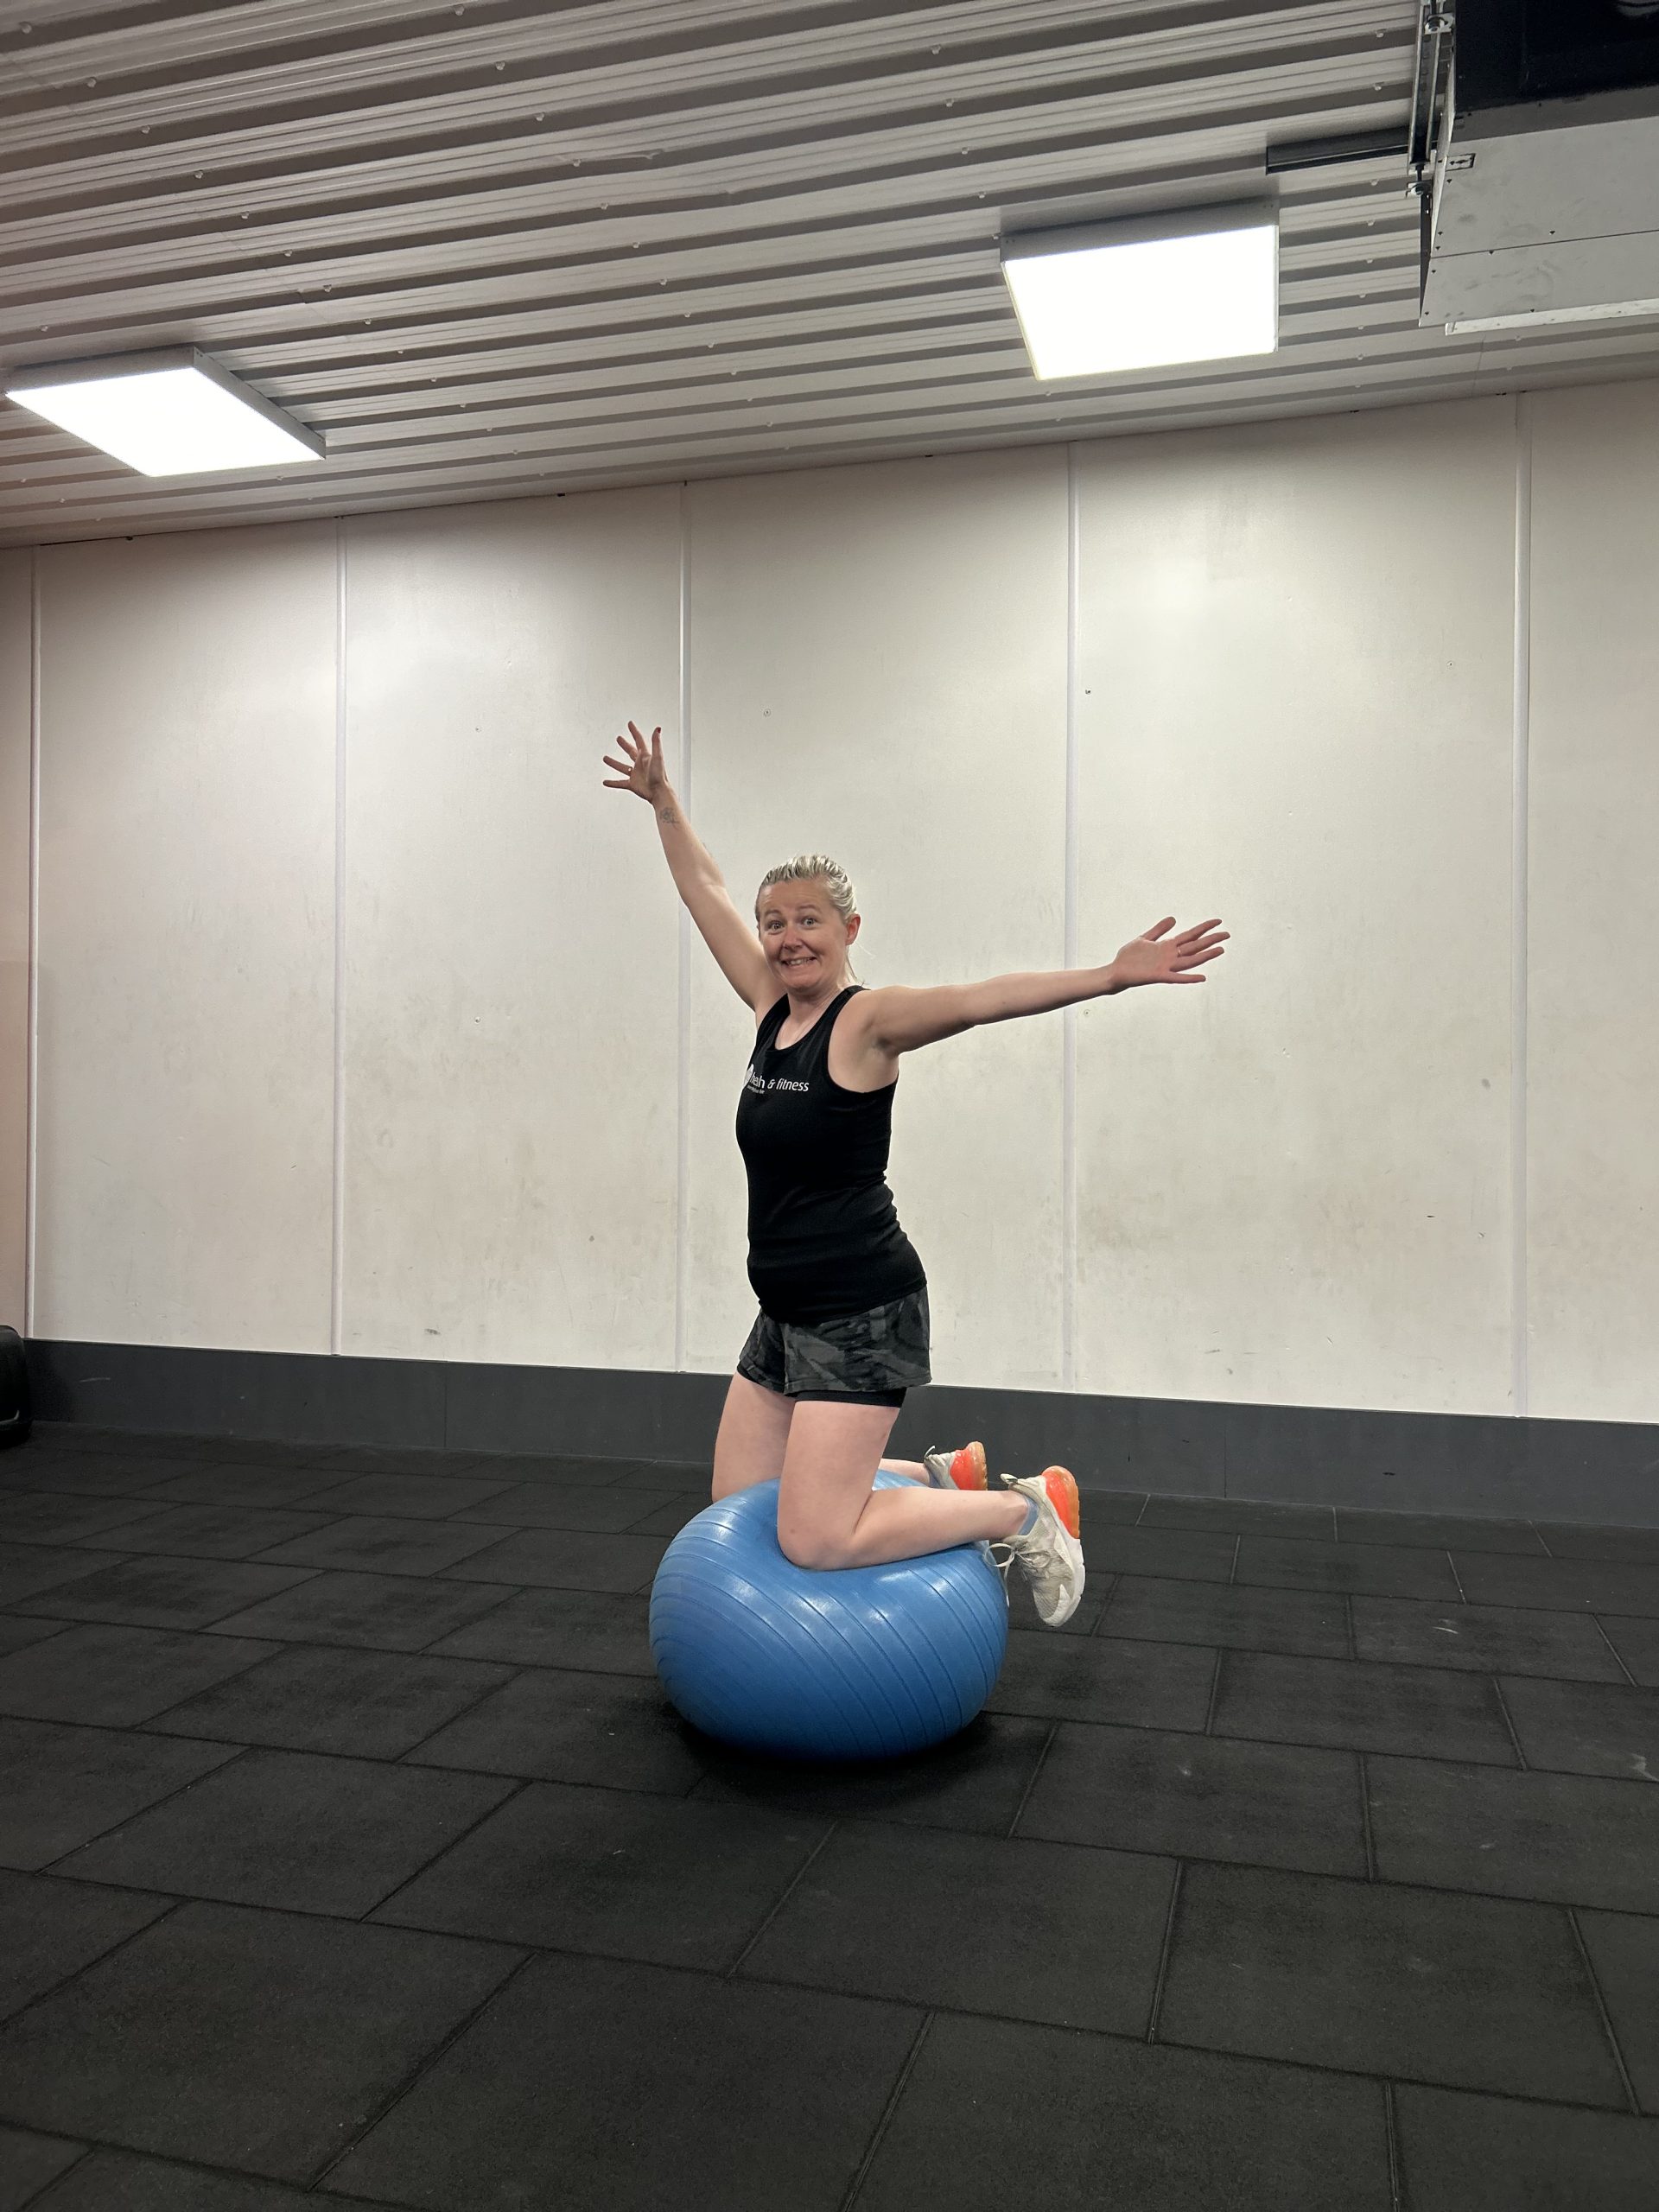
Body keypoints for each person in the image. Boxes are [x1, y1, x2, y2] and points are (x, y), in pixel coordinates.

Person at [602, 720, 1227, 1627]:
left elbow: (979, 1001)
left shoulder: (866, 1022)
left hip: (860, 1310)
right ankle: (941, 1476)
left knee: (814, 1537)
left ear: (848, 929)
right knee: (738, 1505)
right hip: (783, 1313)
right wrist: (664, 802)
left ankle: (1025, 1510)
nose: (788, 938)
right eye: (775, 923)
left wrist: (1109, 976)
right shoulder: (770, 1006)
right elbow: (705, 890)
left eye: (808, 921)